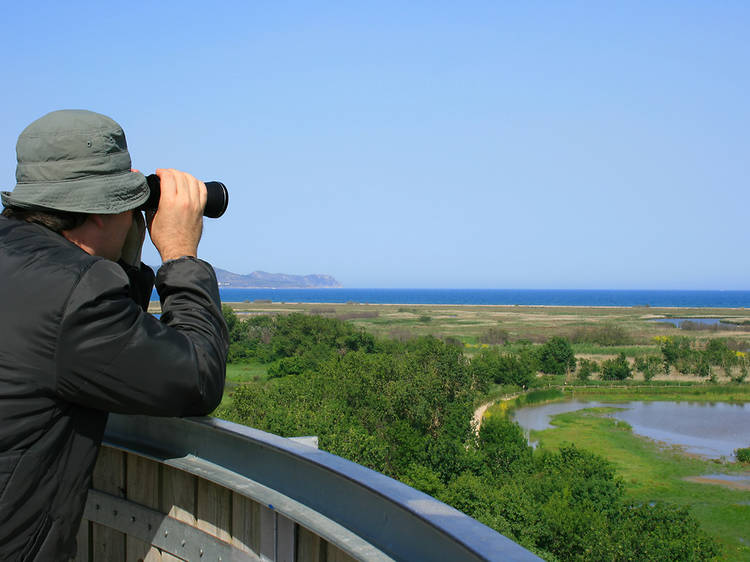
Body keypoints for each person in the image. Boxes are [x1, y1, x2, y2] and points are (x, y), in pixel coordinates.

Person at [0, 110, 229, 561]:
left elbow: (104, 352)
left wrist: (123, 267)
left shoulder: (29, 269)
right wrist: (181, 255)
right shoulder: (74, 295)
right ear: (103, 212)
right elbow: (197, 377)